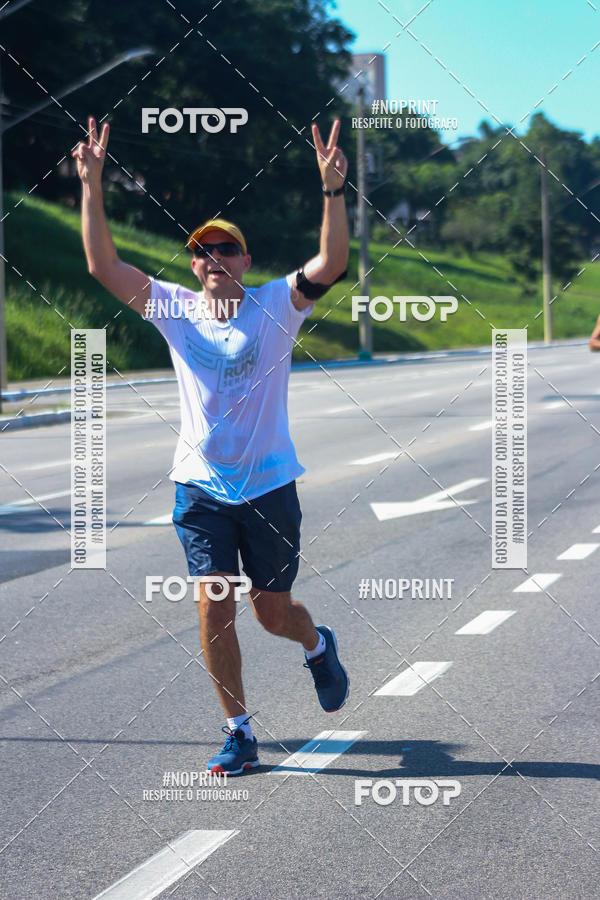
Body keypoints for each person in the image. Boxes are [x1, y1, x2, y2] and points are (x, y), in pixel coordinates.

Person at [73, 115, 350, 775]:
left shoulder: (277, 304)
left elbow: (332, 264)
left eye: (227, 249)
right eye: (202, 251)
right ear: (194, 265)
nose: (214, 258)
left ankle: (317, 644)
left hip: (269, 486)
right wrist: (91, 184)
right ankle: (239, 730)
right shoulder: (174, 308)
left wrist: (333, 191)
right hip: (200, 487)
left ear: (245, 262)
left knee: (273, 615)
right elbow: (102, 265)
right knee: (213, 603)